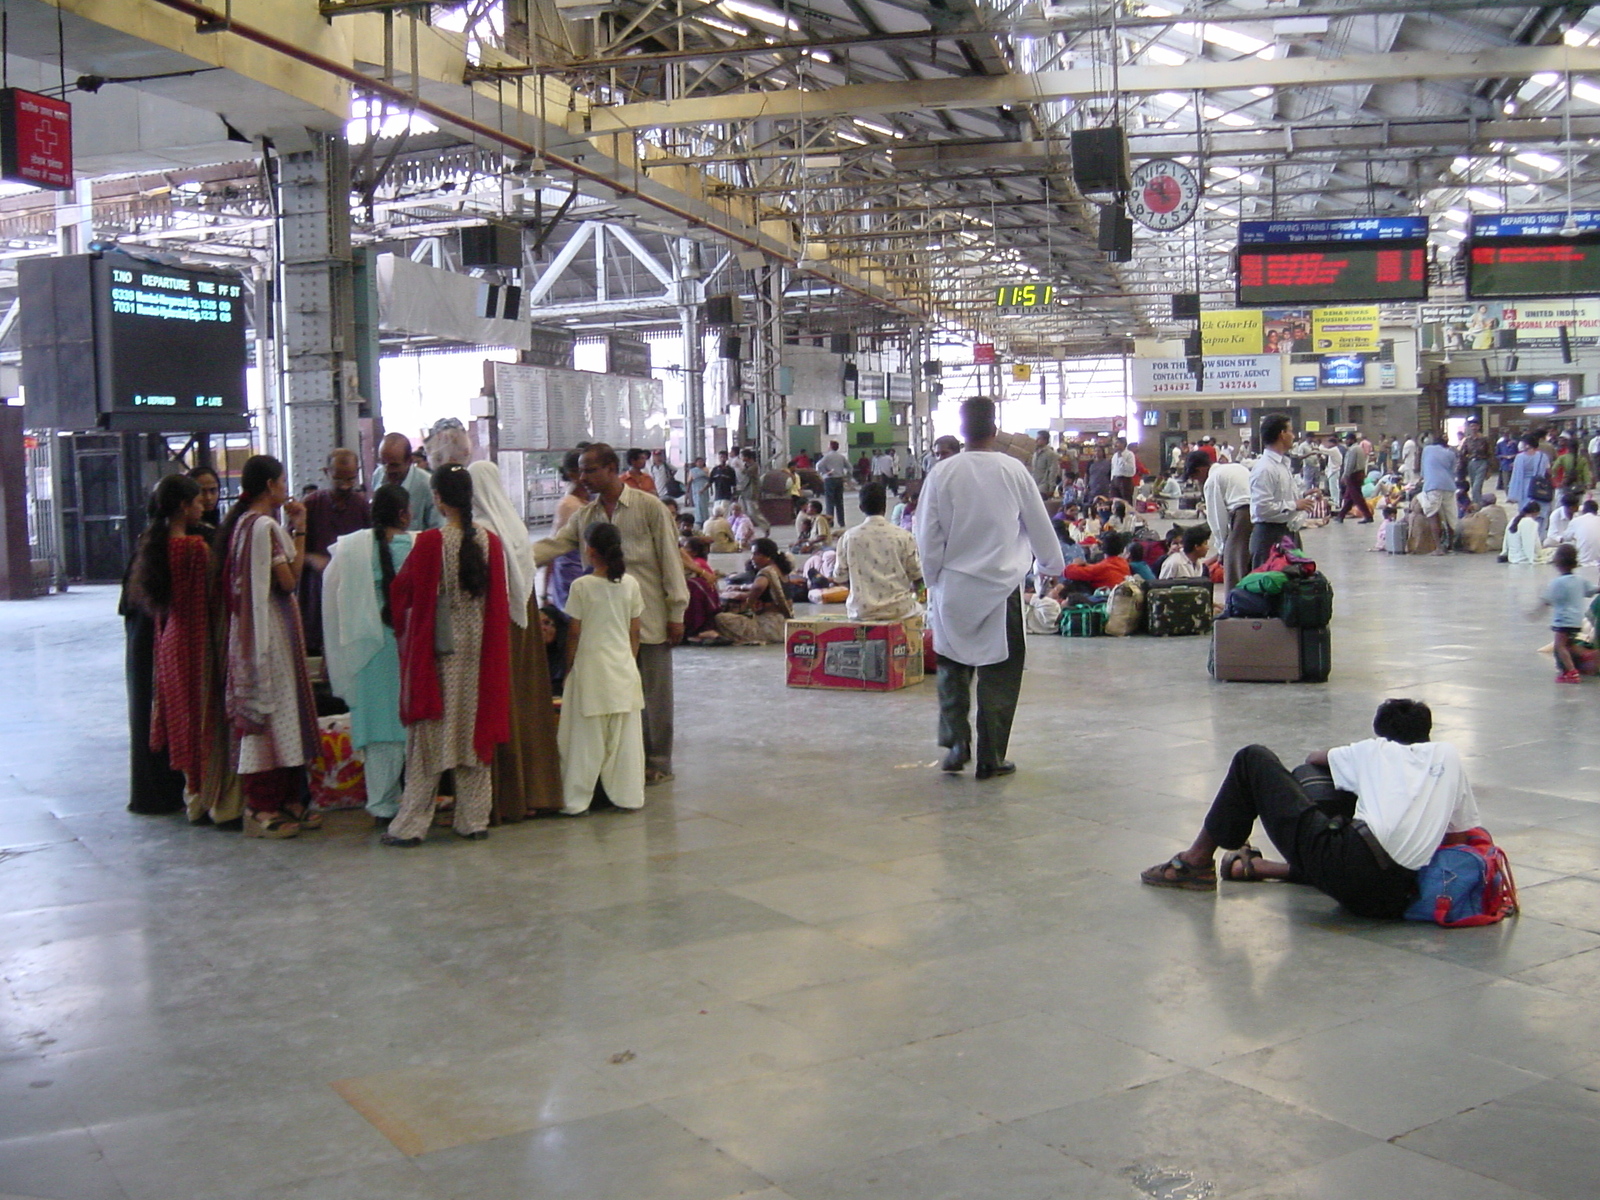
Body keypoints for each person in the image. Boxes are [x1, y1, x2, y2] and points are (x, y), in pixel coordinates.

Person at [1140, 699, 1478, 920]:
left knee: (1253, 760)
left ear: (1381, 733)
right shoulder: (1449, 757)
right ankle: (1266, 869)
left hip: (1348, 867)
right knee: (1361, 837)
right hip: (1394, 897)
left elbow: (1314, 759)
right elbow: (1459, 837)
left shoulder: (1374, 751)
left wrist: (1360, 763)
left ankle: (1195, 862)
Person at [915, 397, 1064, 780]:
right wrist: (1051, 566)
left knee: (951, 667)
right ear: (994, 431)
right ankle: (991, 757)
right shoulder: (1013, 470)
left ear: (961, 432)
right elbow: (1038, 524)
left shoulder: (941, 473)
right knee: (1000, 674)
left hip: (953, 587)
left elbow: (927, 535)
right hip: (1001, 590)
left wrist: (934, 580)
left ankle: (955, 746)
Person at [533, 444, 687, 785]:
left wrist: (676, 611)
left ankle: (658, 760)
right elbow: (555, 545)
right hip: (606, 625)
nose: (583, 478)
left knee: (653, 693)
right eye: (581, 471)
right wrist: (509, 558)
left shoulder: (649, 508)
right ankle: (621, 760)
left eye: (590, 470)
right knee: (616, 691)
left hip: (648, 617)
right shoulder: (587, 517)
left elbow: (670, 560)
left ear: (611, 468)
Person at [383, 463, 512, 845]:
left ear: (438, 498)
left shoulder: (430, 544)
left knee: (427, 741)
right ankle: (473, 820)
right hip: (479, 660)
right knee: (475, 737)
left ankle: (411, 826)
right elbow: (498, 605)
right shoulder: (491, 542)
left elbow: (402, 593)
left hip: (439, 660)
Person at [218, 455, 319, 840]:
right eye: (281, 482)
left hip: (252, 630)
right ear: (270, 486)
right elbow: (289, 580)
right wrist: (301, 529)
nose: (285, 488)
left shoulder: (243, 524)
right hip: (270, 633)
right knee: (275, 714)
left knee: (280, 714)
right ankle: (261, 805)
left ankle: (287, 798)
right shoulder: (266, 528)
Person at [470, 459, 563, 822]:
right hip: (523, 627)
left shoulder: (480, 532)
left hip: (496, 629)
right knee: (526, 704)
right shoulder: (514, 527)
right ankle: (535, 792)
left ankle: (505, 796)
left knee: (499, 704)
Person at [322, 483, 414, 825]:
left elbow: (330, 603)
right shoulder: (415, 546)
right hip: (404, 648)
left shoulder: (349, 550)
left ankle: (382, 803)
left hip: (365, 651)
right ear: (404, 514)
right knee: (407, 728)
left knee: (378, 730)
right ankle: (408, 797)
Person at [133, 475, 216, 819]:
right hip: (195, 641)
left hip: (169, 640)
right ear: (184, 507)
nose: (203, 506)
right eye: (198, 501)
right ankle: (201, 795)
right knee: (200, 720)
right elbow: (211, 595)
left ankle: (190, 792)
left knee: (181, 720)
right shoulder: (195, 548)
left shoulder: (155, 544)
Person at [558, 523, 647, 815]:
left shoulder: (581, 587)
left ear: (591, 550)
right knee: (624, 741)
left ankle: (576, 801)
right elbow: (635, 632)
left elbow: (574, 632)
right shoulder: (631, 584)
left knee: (586, 741)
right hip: (623, 669)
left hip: (591, 669)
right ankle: (629, 797)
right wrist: (629, 662)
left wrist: (569, 667)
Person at [297, 448, 371, 656]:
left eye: (351, 479)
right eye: (339, 479)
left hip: (350, 590)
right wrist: (312, 559)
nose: (346, 486)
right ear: (326, 472)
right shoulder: (311, 504)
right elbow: (290, 549)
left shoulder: (361, 506)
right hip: (316, 590)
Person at [833, 481, 921, 623]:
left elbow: (839, 576)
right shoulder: (903, 536)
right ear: (884, 507)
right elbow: (916, 573)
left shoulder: (848, 537)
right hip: (900, 610)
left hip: (861, 611)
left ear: (861, 507)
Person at [1248, 414, 1316, 566]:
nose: (1293, 436)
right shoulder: (1265, 469)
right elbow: (1261, 508)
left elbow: (1281, 496)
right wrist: (1294, 505)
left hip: (1288, 533)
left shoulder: (1282, 464)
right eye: (1291, 431)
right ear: (1282, 434)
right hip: (1270, 537)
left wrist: (1302, 497)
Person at [713, 538, 795, 643]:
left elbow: (759, 587)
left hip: (768, 626)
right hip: (783, 625)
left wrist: (750, 602)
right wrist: (742, 588)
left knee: (721, 618)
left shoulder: (766, 572)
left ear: (768, 556)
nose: (752, 558)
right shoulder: (780, 570)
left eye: (756, 554)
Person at [1193, 450, 1252, 592]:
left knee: (1233, 561)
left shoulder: (1212, 480)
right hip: (1258, 511)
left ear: (1200, 470)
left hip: (1243, 513)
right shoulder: (1235, 467)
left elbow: (1217, 519)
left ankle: (1234, 601)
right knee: (1251, 559)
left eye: (1195, 477)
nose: (1197, 481)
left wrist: (1221, 549)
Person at [1542, 543, 1597, 683]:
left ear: (1557, 563)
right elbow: (1593, 589)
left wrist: (1535, 612)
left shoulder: (1557, 582)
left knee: (1559, 646)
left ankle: (1571, 672)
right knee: (1569, 644)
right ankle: (1585, 655)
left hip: (1563, 622)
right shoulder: (1580, 580)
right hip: (1576, 622)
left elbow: (1547, 599)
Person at [546, 449, 591, 610]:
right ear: (573, 474)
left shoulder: (591, 500)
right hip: (572, 579)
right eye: (588, 470)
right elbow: (553, 548)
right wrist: (545, 591)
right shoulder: (569, 505)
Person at [375, 432, 438, 530]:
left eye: (394, 465)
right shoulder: (378, 475)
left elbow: (437, 530)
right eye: (383, 463)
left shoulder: (428, 485)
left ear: (409, 461)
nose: (387, 470)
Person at [1420, 432, 1459, 555]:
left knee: (1432, 514)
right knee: (1450, 517)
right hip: (1449, 486)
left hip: (1432, 486)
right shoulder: (1451, 453)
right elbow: (1453, 471)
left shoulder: (1427, 450)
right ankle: (1451, 546)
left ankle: (1438, 548)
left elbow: (1422, 471)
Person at [1507, 434, 1553, 532]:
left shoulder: (1519, 457)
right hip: (1538, 486)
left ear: (1527, 444)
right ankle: (1539, 535)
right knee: (1540, 513)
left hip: (1524, 487)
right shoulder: (1543, 456)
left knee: (1525, 511)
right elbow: (1548, 471)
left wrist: (1512, 495)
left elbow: (1515, 475)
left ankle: (1527, 532)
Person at [1062, 530, 1132, 590]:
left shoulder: (1101, 568)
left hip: (1105, 599)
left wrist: (1075, 564)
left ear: (1102, 547)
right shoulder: (1124, 563)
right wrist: (1088, 565)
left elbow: (1067, 572)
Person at [1334, 433, 1372, 523]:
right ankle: (1341, 515)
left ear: (1351, 440)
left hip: (1353, 475)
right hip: (1359, 474)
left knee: (1357, 497)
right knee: (1349, 497)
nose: (1346, 442)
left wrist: (1345, 475)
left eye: (1347, 440)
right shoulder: (1359, 449)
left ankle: (1368, 516)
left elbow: (1350, 465)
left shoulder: (1353, 450)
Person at [1458, 419, 1494, 507]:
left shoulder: (1484, 440)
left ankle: (1477, 505)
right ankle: (1477, 502)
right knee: (1474, 485)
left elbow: (1490, 454)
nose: (1473, 428)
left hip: (1482, 463)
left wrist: (1489, 469)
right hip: (1471, 464)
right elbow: (1462, 454)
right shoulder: (1467, 440)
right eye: (1472, 426)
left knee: (1476, 487)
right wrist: (1460, 467)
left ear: (1479, 427)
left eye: (1475, 426)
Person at [816, 440, 852, 526]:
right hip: (839, 479)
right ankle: (841, 522)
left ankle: (830, 522)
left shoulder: (827, 457)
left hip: (830, 479)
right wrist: (847, 477)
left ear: (830, 447)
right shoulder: (841, 457)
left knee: (829, 502)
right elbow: (850, 467)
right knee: (839, 502)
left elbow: (819, 466)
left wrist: (825, 473)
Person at [736, 449, 770, 534]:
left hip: (752, 492)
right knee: (743, 512)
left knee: (753, 512)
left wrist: (739, 466)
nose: (740, 458)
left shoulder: (754, 466)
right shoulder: (746, 465)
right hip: (744, 491)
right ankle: (745, 530)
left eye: (742, 456)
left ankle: (765, 527)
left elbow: (746, 472)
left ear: (747, 457)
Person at [1562, 498, 1600, 568]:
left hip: (1582, 561)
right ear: (1596, 511)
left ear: (1583, 511)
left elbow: (1566, 538)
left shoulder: (1576, 521)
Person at [1031, 430, 1062, 500]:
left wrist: (1051, 488)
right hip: (1034, 486)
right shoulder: (1035, 453)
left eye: (1039, 439)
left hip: (1043, 488)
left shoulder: (1051, 454)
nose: (1036, 440)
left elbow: (1053, 472)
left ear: (1045, 440)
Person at [1109, 436, 1137, 503]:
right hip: (1115, 480)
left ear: (1123, 444)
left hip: (1125, 480)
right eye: (1114, 443)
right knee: (1115, 500)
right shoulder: (1115, 455)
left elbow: (1131, 470)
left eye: (1117, 443)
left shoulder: (1129, 454)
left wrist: (1121, 458)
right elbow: (1113, 468)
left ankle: (1128, 513)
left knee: (1126, 500)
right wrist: (1112, 480)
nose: (1115, 445)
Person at [686, 456, 712, 525]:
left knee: (704, 505)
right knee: (698, 504)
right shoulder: (692, 471)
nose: (700, 463)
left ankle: (705, 519)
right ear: (696, 463)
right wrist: (687, 492)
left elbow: (710, 480)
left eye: (701, 462)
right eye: (698, 462)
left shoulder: (706, 470)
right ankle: (699, 519)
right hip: (696, 489)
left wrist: (710, 489)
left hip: (705, 489)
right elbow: (689, 481)